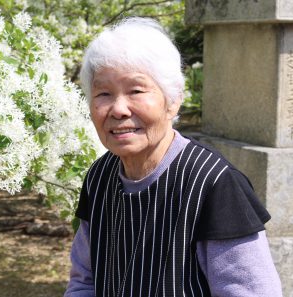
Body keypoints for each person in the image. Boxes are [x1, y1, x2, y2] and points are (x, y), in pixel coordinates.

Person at [64, 17, 282, 297]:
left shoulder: (215, 184)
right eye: (103, 93)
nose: (118, 109)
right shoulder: (100, 176)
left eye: (136, 91)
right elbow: (84, 283)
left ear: (173, 99)